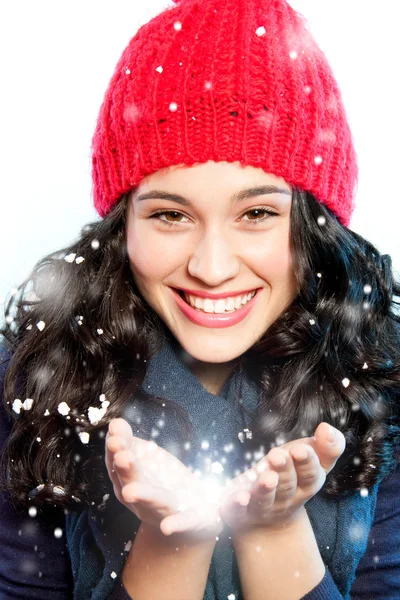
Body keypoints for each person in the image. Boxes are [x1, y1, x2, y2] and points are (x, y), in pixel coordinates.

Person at [1, 0, 400, 598]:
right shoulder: (30, 383)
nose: (211, 269)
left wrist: (274, 531)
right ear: (122, 226)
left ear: (317, 227)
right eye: (169, 215)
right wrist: (171, 543)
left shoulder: (383, 384)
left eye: (258, 213)